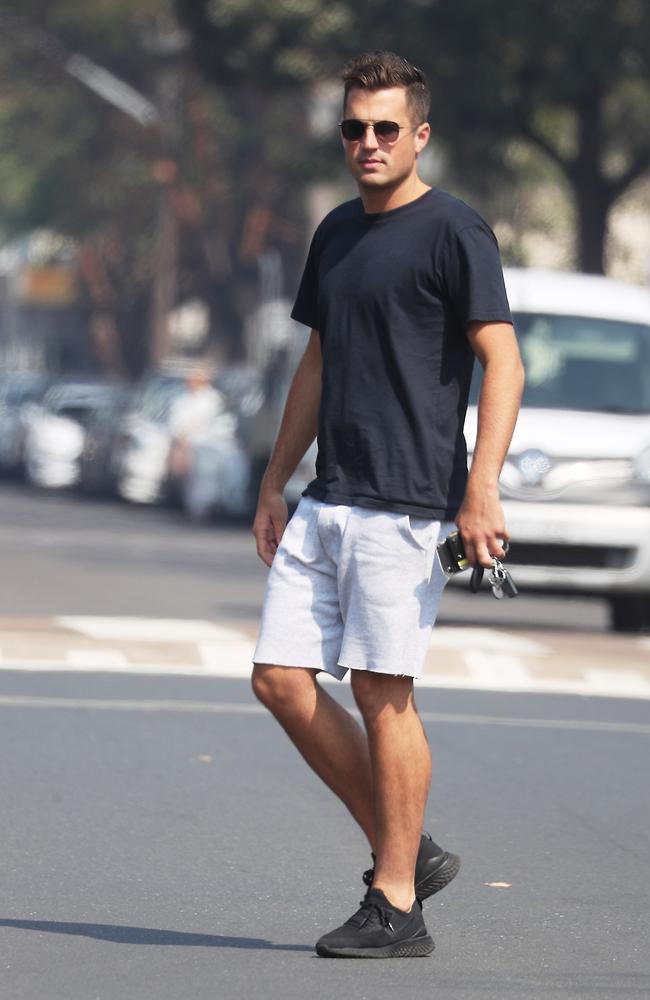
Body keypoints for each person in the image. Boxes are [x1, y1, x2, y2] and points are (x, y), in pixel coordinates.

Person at [251, 51, 524, 959]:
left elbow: (503, 360)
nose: (367, 142)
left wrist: (480, 487)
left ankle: (397, 902)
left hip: (411, 508)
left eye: (385, 128)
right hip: (330, 497)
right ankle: (412, 845)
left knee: (380, 691)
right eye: (354, 128)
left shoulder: (455, 232)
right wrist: (273, 481)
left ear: (420, 135)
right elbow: (317, 363)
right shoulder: (334, 232)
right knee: (281, 681)